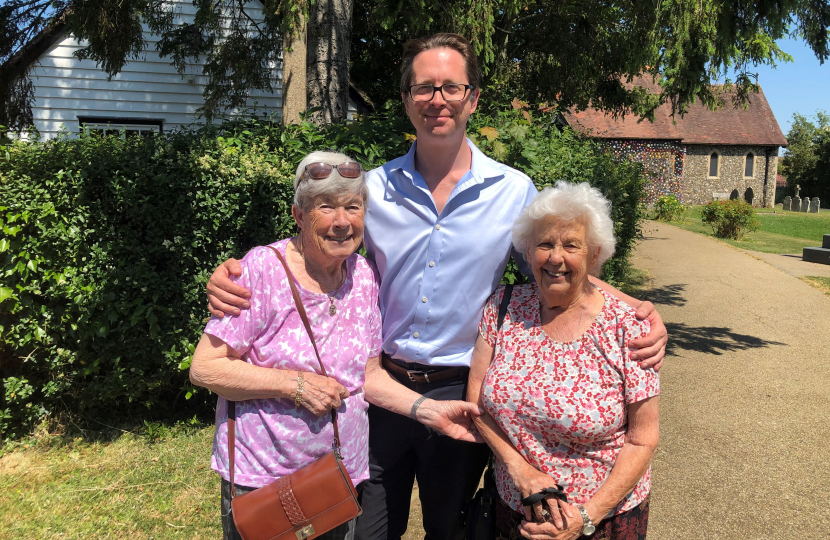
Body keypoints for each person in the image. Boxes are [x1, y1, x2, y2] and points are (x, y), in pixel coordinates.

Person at [205, 34, 668, 540]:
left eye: (451, 87)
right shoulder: (374, 190)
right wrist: (241, 269)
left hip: (461, 393)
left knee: (450, 530)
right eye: (423, 87)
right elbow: (320, 249)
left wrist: (638, 308)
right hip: (379, 391)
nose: (437, 99)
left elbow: (557, 269)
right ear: (406, 99)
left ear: (472, 98)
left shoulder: (514, 191)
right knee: (367, 530)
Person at [189, 151, 383, 540]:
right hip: (267, 480)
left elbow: (370, 376)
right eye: (325, 207)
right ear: (298, 214)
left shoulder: (362, 275)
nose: (341, 221)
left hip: (340, 474)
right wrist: (294, 384)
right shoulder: (261, 269)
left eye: (352, 206)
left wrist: (430, 409)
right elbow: (206, 367)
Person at [467, 182, 660, 540]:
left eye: (571, 245)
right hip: (515, 511)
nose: (556, 257)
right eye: (545, 244)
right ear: (527, 250)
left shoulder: (628, 327)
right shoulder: (503, 308)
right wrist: (519, 469)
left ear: (594, 254)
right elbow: (477, 403)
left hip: (602, 521)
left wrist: (587, 516)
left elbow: (643, 439)